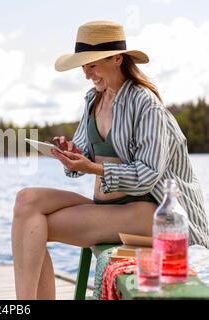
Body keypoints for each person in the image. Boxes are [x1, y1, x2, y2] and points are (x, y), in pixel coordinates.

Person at [11, 20, 209, 300]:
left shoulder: (146, 105)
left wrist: (91, 167)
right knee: (26, 200)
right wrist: (72, 153)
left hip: (150, 211)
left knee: (33, 229)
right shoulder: (93, 100)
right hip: (108, 207)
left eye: (92, 65)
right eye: (83, 67)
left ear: (117, 59)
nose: (87, 74)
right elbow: (83, 155)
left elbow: (147, 176)